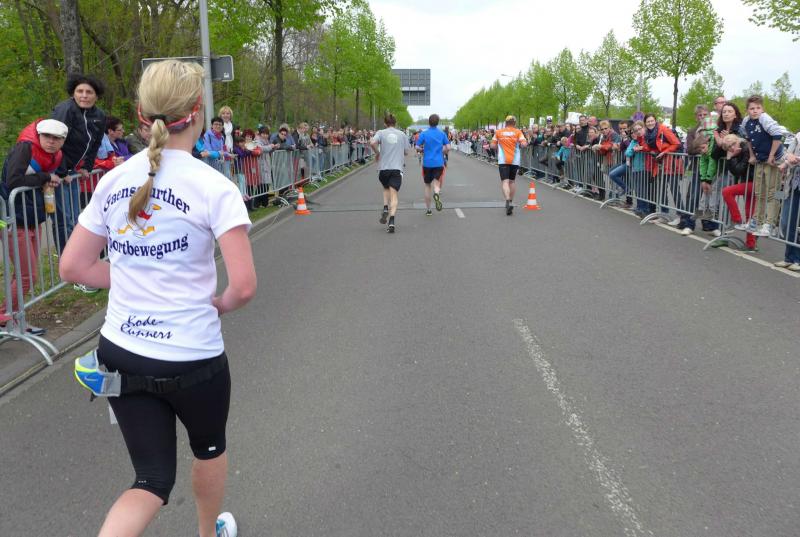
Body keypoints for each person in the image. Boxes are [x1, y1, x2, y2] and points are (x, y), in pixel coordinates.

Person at [59, 59, 256, 537]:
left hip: (122, 350)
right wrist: (221, 303)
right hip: (192, 355)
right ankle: (208, 533)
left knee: (149, 479)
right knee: (208, 449)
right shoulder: (214, 186)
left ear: (140, 115)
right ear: (198, 111)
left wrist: (133, 275)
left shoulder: (112, 180)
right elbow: (244, 286)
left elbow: (73, 267)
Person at [0, 119, 69, 336]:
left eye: (56, 138)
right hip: (14, 220)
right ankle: (4, 317)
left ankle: (13, 318)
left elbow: (58, 172)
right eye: (47, 136)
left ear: (63, 141)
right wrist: (46, 177)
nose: (51, 141)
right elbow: (13, 181)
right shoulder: (25, 148)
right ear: (38, 136)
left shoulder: (54, 155)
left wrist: (58, 177)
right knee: (27, 276)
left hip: (32, 219)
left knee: (24, 275)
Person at [51, 73, 106, 255]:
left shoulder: (99, 115)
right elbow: (54, 141)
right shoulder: (65, 110)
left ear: (96, 95)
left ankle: (75, 257)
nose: (84, 95)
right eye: (79, 91)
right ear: (73, 93)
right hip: (56, 171)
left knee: (75, 218)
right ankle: (65, 258)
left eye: (89, 92)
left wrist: (86, 167)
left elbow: (95, 143)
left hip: (73, 171)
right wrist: (62, 171)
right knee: (64, 219)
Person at [742, 94, 785, 237]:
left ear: (762, 109)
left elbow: (777, 135)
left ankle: (770, 224)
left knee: (773, 192)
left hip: (773, 160)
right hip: (760, 159)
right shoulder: (746, 121)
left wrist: (772, 155)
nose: (755, 111)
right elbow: (748, 139)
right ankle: (757, 221)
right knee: (759, 192)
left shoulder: (764, 119)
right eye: (752, 108)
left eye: (758, 108)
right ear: (747, 110)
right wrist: (752, 155)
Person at [719, 134, 759, 252]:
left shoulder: (745, 148)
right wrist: (730, 158)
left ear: (737, 141)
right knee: (749, 213)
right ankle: (751, 244)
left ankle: (737, 219)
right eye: (729, 147)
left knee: (727, 191)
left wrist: (731, 157)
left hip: (754, 182)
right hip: (748, 182)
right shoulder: (738, 151)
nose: (732, 148)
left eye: (733, 144)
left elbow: (739, 170)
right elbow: (735, 171)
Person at [370, 114, 409, 233]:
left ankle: (385, 207)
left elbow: (372, 142)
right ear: (395, 123)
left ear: (385, 123)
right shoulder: (402, 134)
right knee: (394, 195)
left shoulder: (381, 133)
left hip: (383, 168)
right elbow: (406, 152)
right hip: (397, 168)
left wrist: (377, 153)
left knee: (385, 188)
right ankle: (391, 221)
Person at [491, 115, 528, 215]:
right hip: (515, 160)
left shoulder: (498, 132)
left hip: (503, 160)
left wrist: (499, 146)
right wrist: (522, 143)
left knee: (505, 181)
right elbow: (524, 144)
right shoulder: (518, 132)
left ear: (506, 123)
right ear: (514, 123)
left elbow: (492, 145)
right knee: (512, 181)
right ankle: (511, 201)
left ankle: (507, 200)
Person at [415, 114, 450, 215]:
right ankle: (436, 193)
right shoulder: (442, 134)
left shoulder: (424, 134)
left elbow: (417, 146)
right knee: (437, 182)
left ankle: (429, 210)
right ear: (438, 122)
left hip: (427, 163)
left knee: (427, 185)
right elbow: (448, 147)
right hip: (439, 162)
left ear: (428, 122)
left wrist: (422, 150)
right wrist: (442, 152)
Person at [775, 132, 800, 270]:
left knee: (798, 225)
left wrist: (796, 159)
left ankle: (797, 259)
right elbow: (785, 154)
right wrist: (788, 157)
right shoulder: (798, 136)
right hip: (792, 186)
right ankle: (789, 258)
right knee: (786, 222)